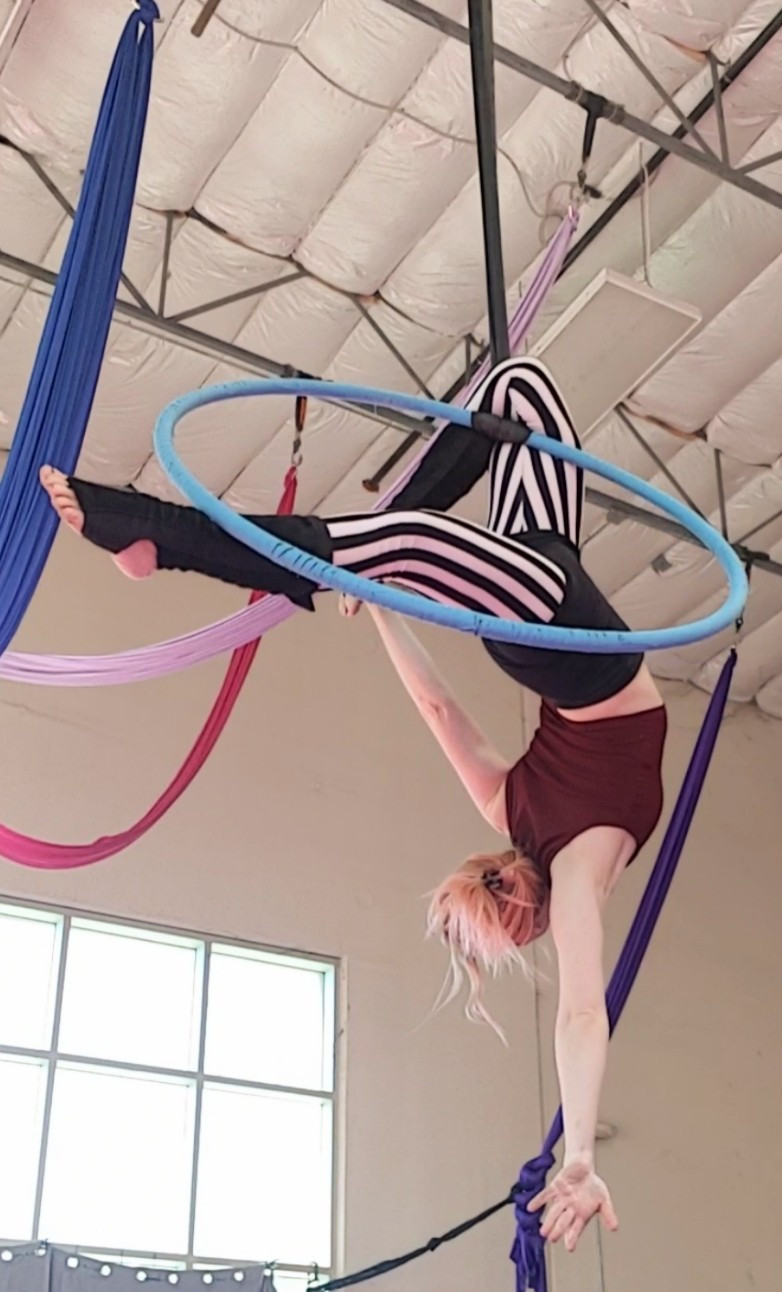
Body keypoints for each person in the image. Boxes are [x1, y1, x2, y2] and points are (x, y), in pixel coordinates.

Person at [40, 357, 667, 1255]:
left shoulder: (512, 810)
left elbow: (436, 710)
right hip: (569, 626)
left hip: (547, 623)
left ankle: (160, 536)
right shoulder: (575, 875)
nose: (499, 876)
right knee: (519, 391)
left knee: (407, 542)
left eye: (483, 882)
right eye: (501, 896)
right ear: (530, 921)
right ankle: (353, 536)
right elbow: (580, 1013)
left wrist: (380, 609)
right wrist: (577, 1152)